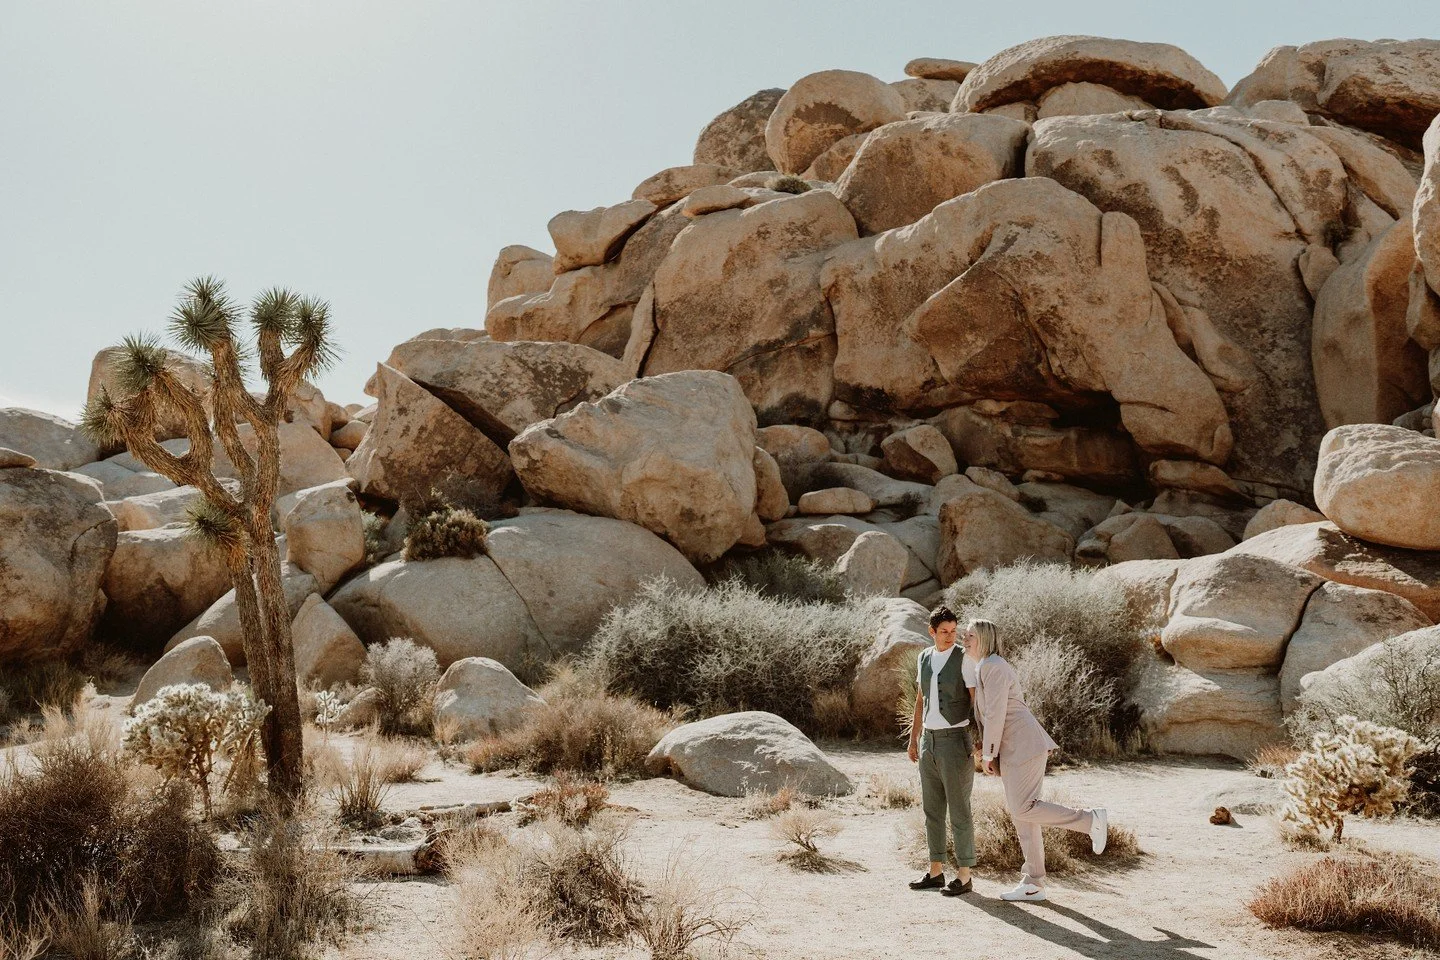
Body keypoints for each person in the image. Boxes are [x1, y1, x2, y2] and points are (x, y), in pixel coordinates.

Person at [965, 618, 1109, 903]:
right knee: (1023, 815)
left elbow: (995, 715)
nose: (964, 639)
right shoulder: (985, 666)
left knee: (1024, 808)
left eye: (969, 635)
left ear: (982, 638)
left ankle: (1090, 819)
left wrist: (989, 754)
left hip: (1024, 746)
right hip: (1015, 748)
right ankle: (1034, 882)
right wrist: (990, 749)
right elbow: (990, 716)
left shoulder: (993, 666)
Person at [906, 605, 979, 897]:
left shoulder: (965, 659)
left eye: (954, 631)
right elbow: (920, 699)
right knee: (932, 810)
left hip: (955, 739)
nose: (951, 637)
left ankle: (964, 875)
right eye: (944, 632)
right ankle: (935, 871)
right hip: (929, 742)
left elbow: (976, 702)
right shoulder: (924, 657)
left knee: (959, 810)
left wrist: (979, 739)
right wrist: (914, 739)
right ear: (932, 631)